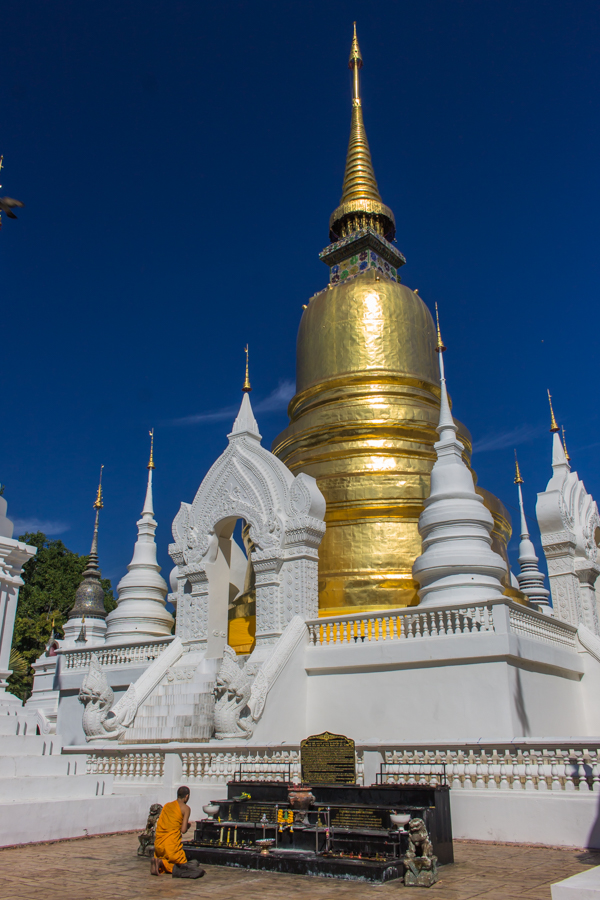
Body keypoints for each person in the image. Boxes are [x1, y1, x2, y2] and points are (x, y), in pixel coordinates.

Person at [151, 786, 204, 878]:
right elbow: (183, 830)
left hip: (159, 846)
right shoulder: (186, 808)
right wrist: (188, 826)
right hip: (171, 848)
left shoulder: (167, 805)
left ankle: (160, 861)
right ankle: (162, 863)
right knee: (183, 864)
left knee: (175, 861)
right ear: (186, 796)